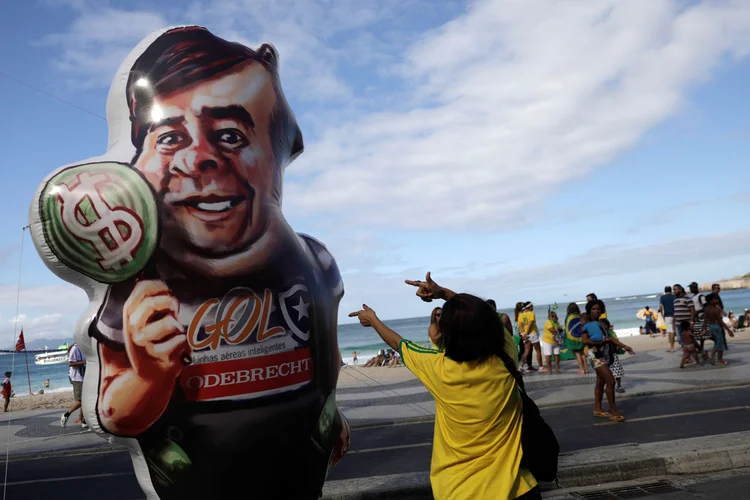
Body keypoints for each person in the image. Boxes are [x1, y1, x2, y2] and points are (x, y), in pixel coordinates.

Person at [78, 27, 348, 499]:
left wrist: (332, 417)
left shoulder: (314, 262)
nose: (198, 159)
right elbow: (113, 413)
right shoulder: (141, 283)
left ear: (278, 152)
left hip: (298, 478)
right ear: (137, 159)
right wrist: (147, 378)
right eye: (169, 138)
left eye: (229, 134)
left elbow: (326, 366)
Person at [349, 273, 540, 499]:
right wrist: (442, 293)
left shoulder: (438, 368)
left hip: (460, 491)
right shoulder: (504, 356)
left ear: (447, 333)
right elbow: (482, 315)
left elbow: (397, 343)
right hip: (519, 488)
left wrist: (373, 321)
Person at [581, 301, 634, 423]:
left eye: (598, 309)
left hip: (606, 355)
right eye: (594, 309)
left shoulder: (603, 323)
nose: (596, 311)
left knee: (600, 383)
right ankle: (614, 411)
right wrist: (599, 343)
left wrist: (624, 346)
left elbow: (610, 338)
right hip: (596, 356)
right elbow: (585, 340)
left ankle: (597, 409)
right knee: (610, 381)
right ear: (589, 310)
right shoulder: (586, 324)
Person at [61, 343, 87, 429]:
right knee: (81, 400)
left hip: (84, 377)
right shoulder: (75, 348)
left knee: (85, 400)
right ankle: (66, 414)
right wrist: (84, 362)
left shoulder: (84, 347)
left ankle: (83, 421)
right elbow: (70, 363)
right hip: (77, 378)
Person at [705, 293, 734, 366]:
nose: (717, 300)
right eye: (715, 299)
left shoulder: (707, 309)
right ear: (710, 301)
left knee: (717, 342)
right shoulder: (715, 309)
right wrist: (728, 330)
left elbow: (705, 320)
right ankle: (719, 360)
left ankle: (712, 355)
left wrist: (705, 329)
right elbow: (720, 321)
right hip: (717, 327)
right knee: (720, 344)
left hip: (711, 327)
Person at [519, 302, 543, 373]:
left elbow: (520, 325)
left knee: (526, 352)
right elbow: (530, 323)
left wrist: (524, 334)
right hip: (532, 334)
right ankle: (541, 367)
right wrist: (527, 333)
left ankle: (521, 366)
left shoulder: (521, 315)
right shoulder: (531, 314)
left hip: (525, 335)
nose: (533, 307)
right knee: (538, 350)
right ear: (530, 307)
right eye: (532, 306)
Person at [564, 303, 587, 375]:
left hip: (573, 338)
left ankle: (581, 370)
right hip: (580, 337)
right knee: (582, 353)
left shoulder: (568, 317)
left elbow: (567, 327)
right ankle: (586, 369)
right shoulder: (579, 316)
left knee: (577, 354)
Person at [672, 284, 695, 352]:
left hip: (686, 324)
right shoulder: (675, 300)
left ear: (680, 289)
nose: (674, 291)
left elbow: (692, 310)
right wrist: (674, 324)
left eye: (675, 289)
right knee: (682, 341)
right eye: (673, 290)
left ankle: (689, 355)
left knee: (690, 341)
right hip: (678, 324)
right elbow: (675, 313)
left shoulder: (687, 298)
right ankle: (687, 355)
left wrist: (691, 322)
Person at [513, 302, 534, 371]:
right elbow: (521, 325)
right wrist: (524, 334)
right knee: (527, 350)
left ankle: (520, 365)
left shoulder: (516, 314)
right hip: (521, 335)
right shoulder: (521, 315)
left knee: (523, 351)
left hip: (517, 335)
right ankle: (524, 365)